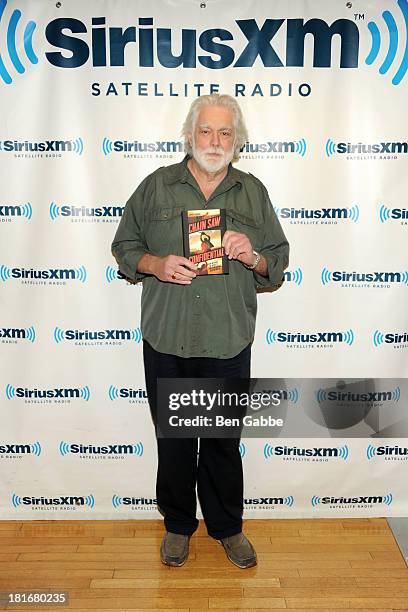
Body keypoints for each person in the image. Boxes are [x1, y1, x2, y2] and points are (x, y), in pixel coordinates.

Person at [111, 94, 289, 569]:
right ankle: (176, 525)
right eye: (206, 131)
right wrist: (155, 263)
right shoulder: (156, 187)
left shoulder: (253, 191)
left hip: (228, 340)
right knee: (174, 440)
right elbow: (124, 245)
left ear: (238, 140)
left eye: (225, 132)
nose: (215, 141)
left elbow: (278, 263)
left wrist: (252, 255)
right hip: (167, 339)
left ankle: (227, 528)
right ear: (190, 135)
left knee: (221, 443)